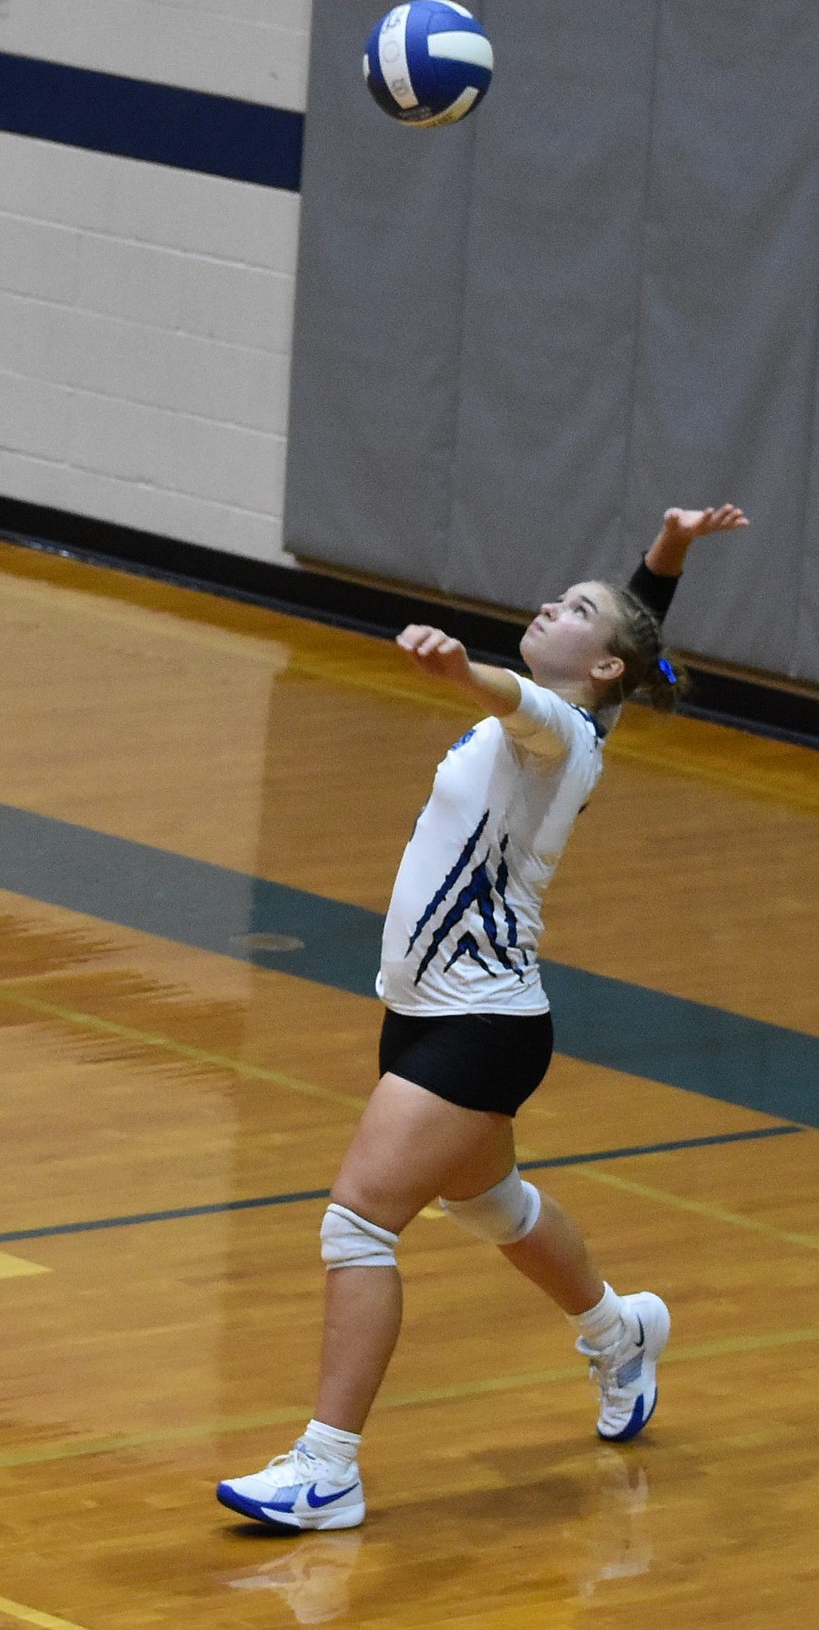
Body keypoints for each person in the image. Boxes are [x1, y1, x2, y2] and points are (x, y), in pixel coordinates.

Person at [216, 505, 748, 1532]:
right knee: (490, 1202)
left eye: (577, 610)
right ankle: (619, 1331)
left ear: (600, 668)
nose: (554, 604)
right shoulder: (590, 710)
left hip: (481, 1027)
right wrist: (670, 549)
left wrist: (462, 671)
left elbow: (524, 697)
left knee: (357, 1223)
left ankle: (328, 1468)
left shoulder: (558, 729)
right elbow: (634, 631)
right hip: (427, 1014)